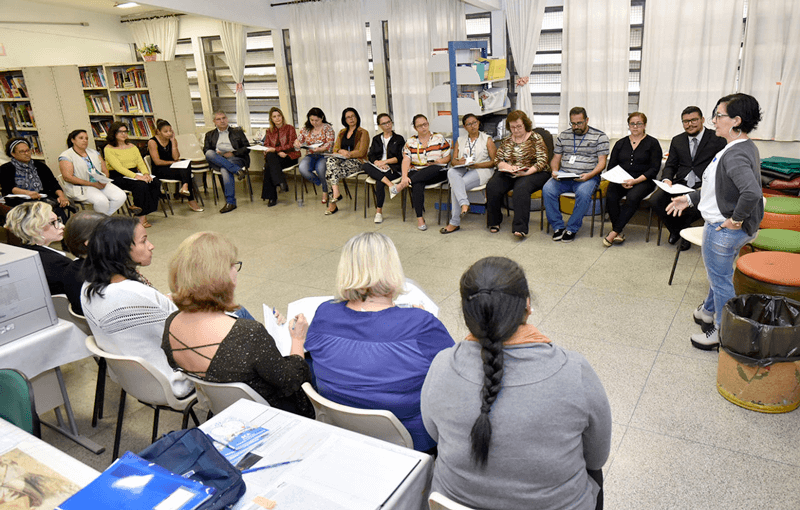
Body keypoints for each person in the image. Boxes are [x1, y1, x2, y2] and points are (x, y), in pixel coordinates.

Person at [421, 256, 612, 510]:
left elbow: (434, 434)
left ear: (468, 315)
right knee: (595, 474)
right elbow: (597, 456)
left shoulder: (442, 364)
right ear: (528, 305)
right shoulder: (574, 370)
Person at [303, 232, 454, 452]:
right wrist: (422, 320)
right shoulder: (421, 325)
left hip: (342, 434)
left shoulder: (324, 314)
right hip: (412, 442)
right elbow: (458, 374)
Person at [162, 232, 314, 417]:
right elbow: (291, 381)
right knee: (313, 361)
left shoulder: (171, 324)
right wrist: (297, 339)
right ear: (217, 275)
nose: (236, 270)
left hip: (221, 411)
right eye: (232, 265)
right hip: (269, 414)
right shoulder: (247, 333)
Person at [667, 93, 764, 350]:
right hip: (727, 226)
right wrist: (688, 200)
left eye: (719, 115)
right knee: (718, 274)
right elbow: (717, 189)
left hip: (723, 229)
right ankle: (707, 312)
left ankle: (722, 333)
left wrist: (735, 219)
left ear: (736, 121)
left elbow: (751, 192)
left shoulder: (734, 154)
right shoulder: (739, 146)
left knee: (721, 282)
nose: (714, 120)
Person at [81, 216, 193, 398]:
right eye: (144, 240)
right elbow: (184, 333)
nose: (151, 245)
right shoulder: (133, 292)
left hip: (134, 380)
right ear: (121, 248)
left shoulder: (87, 287)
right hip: (173, 380)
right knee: (235, 317)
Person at [652, 106, 726, 250]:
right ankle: (679, 231)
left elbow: (721, 167)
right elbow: (670, 165)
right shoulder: (678, 140)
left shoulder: (717, 139)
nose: (689, 124)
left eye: (693, 120)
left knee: (694, 207)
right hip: (681, 183)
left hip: (704, 185)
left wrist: (711, 184)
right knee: (656, 200)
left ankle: (680, 233)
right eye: (685, 121)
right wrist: (666, 179)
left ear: (703, 120)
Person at [4, 201, 84, 314]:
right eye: (53, 222)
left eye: (59, 220)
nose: (62, 226)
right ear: (34, 228)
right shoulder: (58, 263)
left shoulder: (21, 254)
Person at [543, 107, 609, 242]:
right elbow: (556, 159)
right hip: (564, 176)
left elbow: (602, 163)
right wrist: (554, 171)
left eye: (579, 123)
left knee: (584, 194)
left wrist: (590, 175)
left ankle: (572, 228)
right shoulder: (564, 135)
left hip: (587, 177)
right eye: (573, 123)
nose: (576, 126)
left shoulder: (600, 137)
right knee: (547, 189)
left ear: (587, 120)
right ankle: (558, 227)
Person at [484, 111, 549, 238]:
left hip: (534, 172)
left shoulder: (535, 138)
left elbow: (542, 161)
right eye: (513, 127)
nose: (516, 130)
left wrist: (525, 173)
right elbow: (497, 159)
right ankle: (494, 222)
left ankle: (520, 228)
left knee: (521, 189)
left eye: (519, 126)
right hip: (511, 171)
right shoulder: (507, 140)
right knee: (493, 186)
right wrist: (507, 167)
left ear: (525, 124)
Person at [602, 112, 662, 247]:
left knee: (632, 197)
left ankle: (614, 232)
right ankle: (619, 231)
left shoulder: (653, 143)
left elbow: (654, 169)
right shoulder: (620, 143)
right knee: (611, 194)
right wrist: (621, 180)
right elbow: (611, 166)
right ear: (628, 125)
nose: (635, 127)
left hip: (644, 181)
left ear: (645, 125)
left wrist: (634, 181)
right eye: (632, 124)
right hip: (621, 180)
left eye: (639, 124)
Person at [440, 114, 497, 234]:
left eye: (474, 122)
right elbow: (453, 161)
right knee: (451, 171)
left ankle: (454, 222)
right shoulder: (460, 140)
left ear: (478, 123)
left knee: (457, 185)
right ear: (465, 127)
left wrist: (476, 165)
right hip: (464, 168)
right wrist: (458, 162)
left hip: (481, 169)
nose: (473, 126)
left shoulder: (487, 139)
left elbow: (494, 162)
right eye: (469, 124)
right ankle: (464, 203)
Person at [394, 115, 452, 231]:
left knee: (434, 168)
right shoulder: (410, 141)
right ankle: (420, 218)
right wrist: (404, 176)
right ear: (415, 128)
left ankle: (401, 185)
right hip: (416, 172)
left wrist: (438, 161)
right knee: (417, 183)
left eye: (425, 124)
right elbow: (406, 159)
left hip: (436, 171)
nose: (424, 127)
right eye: (420, 126)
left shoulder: (439, 138)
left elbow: (447, 157)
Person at [103, 121, 162, 227]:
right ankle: (141, 218)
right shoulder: (108, 149)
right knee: (141, 185)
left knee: (155, 182)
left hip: (133, 173)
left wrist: (146, 174)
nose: (124, 134)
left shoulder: (132, 146)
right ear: (114, 133)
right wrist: (137, 177)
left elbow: (140, 161)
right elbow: (118, 167)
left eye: (125, 131)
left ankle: (142, 210)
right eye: (120, 132)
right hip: (117, 175)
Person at [1, 138, 72, 223]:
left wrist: (61, 196)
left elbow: (53, 184)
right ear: (13, 154)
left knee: (56, 209)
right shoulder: (6, 168)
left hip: (42, 197)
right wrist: (28, 193)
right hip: (20, 200)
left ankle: (64, 232)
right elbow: (8, 188)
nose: (27, 154)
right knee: (37, 213)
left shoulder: (40, 166)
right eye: (22, 152)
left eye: (28, 150)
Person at [58, 129, 127, 216]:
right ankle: (102, 222)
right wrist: (92, 184)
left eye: (86, 138)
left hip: (99, 183)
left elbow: (104, 170)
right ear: (73, 140)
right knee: (101, 201)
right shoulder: (66, 156)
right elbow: (68, 177)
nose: (85, 140)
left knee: (121, 196)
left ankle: (101, 220)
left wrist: (104, 180)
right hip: (81, 186)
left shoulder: (94, 153)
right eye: (81, 138)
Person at [147, 119, 203, 213]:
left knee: (186, 162)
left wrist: (173, 141)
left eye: (170, 131)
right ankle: (191, 199)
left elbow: (176, 157)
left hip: (172, 168)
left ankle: (185, 186)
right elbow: (157, 162)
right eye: (165, 131)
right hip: (160, 170)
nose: (169, 133)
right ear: (158, 132)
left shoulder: (172, 140)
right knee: (186, 173)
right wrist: (172, 163)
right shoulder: (152, 142)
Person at [323, 108, 369, 216]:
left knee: (329, 173)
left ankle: (333, 203)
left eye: (353, 116)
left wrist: (349, 154)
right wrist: (341, 151)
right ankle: (336, 193)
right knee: (330, 161)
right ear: (344, 120)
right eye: (348, 117)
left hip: (357, 161)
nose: (351, 119)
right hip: (342, 160)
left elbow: (362, 152)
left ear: (357, 117)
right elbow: (335, 149)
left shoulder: (363, 132)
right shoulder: (342, 132)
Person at [203, 111, 251, 214]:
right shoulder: (210, 134)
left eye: (224, 118)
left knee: (225, 168)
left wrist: (233, 153)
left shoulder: (237, 131)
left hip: (235, 158)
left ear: (227, 119)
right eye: (218, 119)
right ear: (214, 122)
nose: (222, 121)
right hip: (218, 159)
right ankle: (237, 171)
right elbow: (206, 150)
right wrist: (218, 154)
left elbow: (247, 148)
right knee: (209, 153)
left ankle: (230, 202)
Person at [360, 113, 405, 224]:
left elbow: (400, 157)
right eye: (384, 123)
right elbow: (371, 155)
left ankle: (378, 212)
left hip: (393, 169)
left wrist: (385, 162)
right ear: (380, 125)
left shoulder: (399, 139)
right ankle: (391, 186)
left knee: (380, 181)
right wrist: (378, 163)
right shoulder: (376, 139)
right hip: (378, 168)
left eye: (389, 122)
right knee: (365, 165)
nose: (388, 125)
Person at [294, 107, 335, 204]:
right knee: (302, 168)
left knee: (320, 168)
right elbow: (298, 140)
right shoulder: (305, 129)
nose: (314, 122)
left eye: (317, 120)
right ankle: (322, 184)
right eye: (311, 120)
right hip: (311, 155)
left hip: (325, 155)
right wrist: (297, 143)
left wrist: (321, 149)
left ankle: (325, 192)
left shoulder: (327, 128)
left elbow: (330, 143)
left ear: (322, 118)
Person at [260, 107, 300, 206]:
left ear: (282, 116)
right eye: (274, 117)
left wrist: (276, 150)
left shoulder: (289, 128)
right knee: (270, 160)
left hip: (289, 157)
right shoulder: (269, 131)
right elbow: (267, 146)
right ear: (271, 119)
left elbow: (292, 145)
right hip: (276, 157)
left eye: (279, 116)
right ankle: (281, 182)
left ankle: (272, 197)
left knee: (269, 165)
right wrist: (277, 152)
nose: (277, 118)